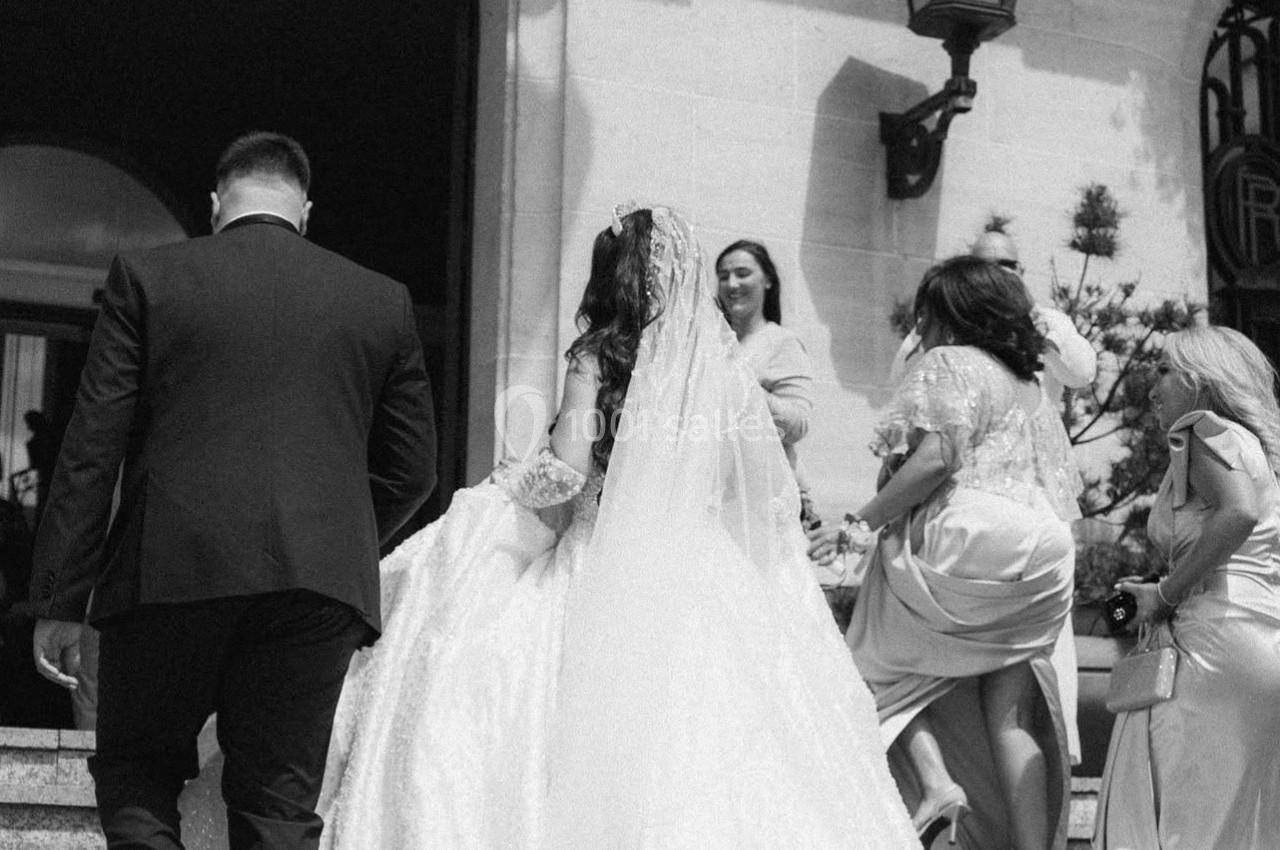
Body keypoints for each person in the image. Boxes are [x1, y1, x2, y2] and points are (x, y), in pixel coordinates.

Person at [318, 205, 918, 849]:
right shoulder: (718, 366)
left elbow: (568, 471)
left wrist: (509, 484)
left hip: (598, 559)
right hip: (697, 563)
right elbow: (749, 482)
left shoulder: (599, 355)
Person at [24, 131, 437, 850]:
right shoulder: (382, 301)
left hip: (169, 572)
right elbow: (414, 468)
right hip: (317, 590)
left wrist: (61, 598)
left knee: (137, 774)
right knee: (278, 811)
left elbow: (91, 449)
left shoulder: (148, 278)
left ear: (218, 203)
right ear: (304, 208)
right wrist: (330, 540)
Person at [809, 256, 1082, 849]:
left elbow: (939, 459)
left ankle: (935, 785)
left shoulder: (949, 362)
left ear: (947, 314)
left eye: (924, 314)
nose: (918, 329)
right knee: (1008, 716)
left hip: (975, 531)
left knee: (862, 664)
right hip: (1047, 552)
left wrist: (861, 521)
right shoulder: (1029, 383)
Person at [1093, 325, 1280, 849]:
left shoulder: (1201, 429)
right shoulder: (1256, 450)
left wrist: (1166, 593)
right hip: (1261, 640)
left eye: (1165, 371)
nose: (1152, 388)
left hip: (1214, 642)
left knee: (1186, 821)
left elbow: (1237, 514)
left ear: (1202, 382)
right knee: (1239, 822)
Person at [890, 226, 1097, 398]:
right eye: (985, 266)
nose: (997, 273)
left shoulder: (1051, 321)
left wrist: (1037, 328)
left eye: (1006, 265)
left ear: (1020, 271)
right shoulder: (950, 320)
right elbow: (902, 378)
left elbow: (1081, 375)